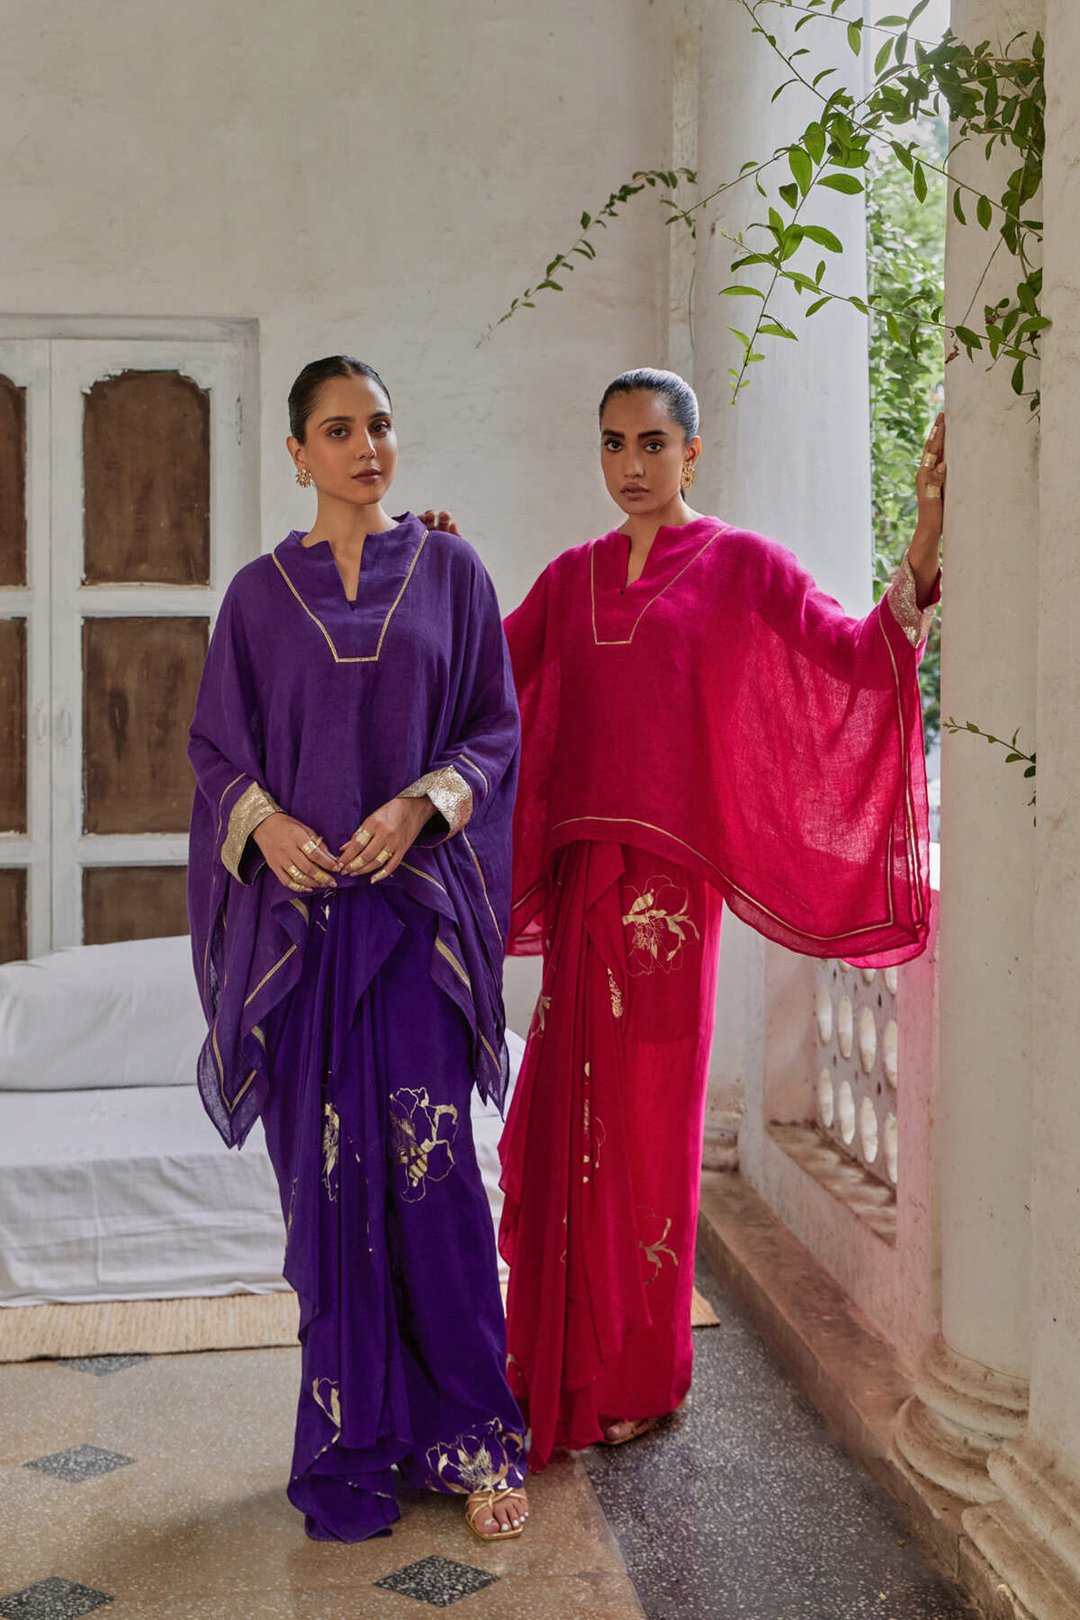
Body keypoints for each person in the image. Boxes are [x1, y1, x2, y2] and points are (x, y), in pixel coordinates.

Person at [499, 367, 943, 1471]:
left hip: (669, 904)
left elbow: (853, 655)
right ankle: (557, 1360)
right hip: (584, 881)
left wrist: (928, 542)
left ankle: (639, 1376)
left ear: (692, 453)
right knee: (569, 1121)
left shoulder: (741, 566)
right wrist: (430, 582)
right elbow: (481, 681)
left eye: (653, 443)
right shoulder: (571, 578)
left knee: (648, 1127)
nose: (631, 465)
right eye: (614, 444)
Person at [187, 356, 529, 1543]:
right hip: (307, 944)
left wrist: (422, 805)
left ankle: (476, 1439)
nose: (366, 446)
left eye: (379, 424)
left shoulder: (453, 572)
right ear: (298, 454)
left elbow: (493, 726)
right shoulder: (256, 597)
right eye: (338, 430)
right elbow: (214, 750)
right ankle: (354, 1441)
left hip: (415, 933)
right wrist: (269, 826)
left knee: (438, 1185)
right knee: (326, 1194)